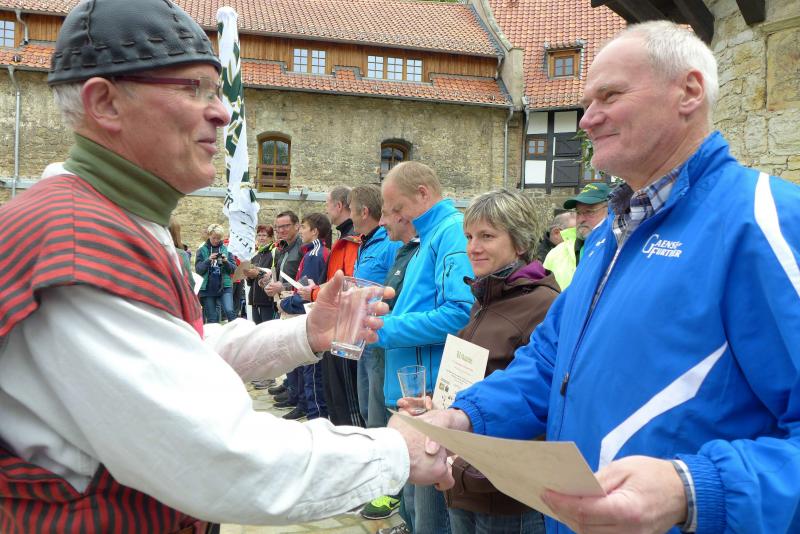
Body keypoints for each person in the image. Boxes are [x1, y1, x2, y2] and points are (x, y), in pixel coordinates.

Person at [0, 0, 452, 530]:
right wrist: (396, 450)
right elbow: (218, 459)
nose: (221, 112)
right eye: (193, 89)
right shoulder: (78, 243)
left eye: (216, 91)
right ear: (105, 103)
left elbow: (181, 352)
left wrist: (307, 333)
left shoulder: (108, 219)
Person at [400, 20, 800, 534]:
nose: (587, 120)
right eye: (587, 102)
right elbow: (549, 364)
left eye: (609, 96)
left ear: (689, 91)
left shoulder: (763, 220)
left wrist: (691, 489)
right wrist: (462, 416)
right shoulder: (609, 238)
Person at [444, 189, 558, 534]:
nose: (473, 247)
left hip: (506, 491)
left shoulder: (543, 305)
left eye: (487, 236)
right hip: (464, 474)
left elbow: (543, 399)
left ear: (519, 243)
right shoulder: (486, 295)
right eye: (469, 236)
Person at [378, 161, 475, 534]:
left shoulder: (450, 232)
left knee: (432, 519)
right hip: (412, 396)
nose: (392, 218)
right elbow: (419, 307)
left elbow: (460, 313)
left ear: (422, 194)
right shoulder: (427, 236)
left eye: (397, 208)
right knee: (416, 512)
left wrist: (383, 329)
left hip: (430, 399)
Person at [298, 186, 364, 427]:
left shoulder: (353, 240)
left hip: (345, 327)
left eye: (328, 203)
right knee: (335, 395)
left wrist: (315, 292)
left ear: (339, 206)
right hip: (336, 324)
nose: (326, 209)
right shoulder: (344, 239)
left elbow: (348, 284)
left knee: (346, 402)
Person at [350, 185, 403, 429]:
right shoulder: (366, 243)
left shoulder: (390, 243)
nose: (350, 216)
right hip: (362, 335)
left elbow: (396, 286)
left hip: (379, 335)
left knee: (376, 410)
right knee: (364, 404)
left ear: (364, 212)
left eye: (352, 209)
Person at [277, 212, 332, 421]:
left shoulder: (314, 255)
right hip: (310, 317)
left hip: (310, 320)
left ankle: (315, 416)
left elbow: (307, 293)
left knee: (312, 374)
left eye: (304, 227)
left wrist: (285, 303)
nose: (301, 231)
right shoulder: (312, 252)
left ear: (315, 231)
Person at [543, 183, 610, 290]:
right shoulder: (556, 253)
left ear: (610, 211)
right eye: (578, 212)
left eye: (589, 212)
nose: (581, 219)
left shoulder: (621, 251)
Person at [196, 223, 237, 323]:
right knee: (212, 318)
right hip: (207, 288)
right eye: (213, 238)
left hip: (225, 286)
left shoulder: (227, 250)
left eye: (218, 238)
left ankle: (235, 331)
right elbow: (198, 270)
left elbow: (233, 269)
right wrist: (208, 260)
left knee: (229, 311)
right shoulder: (201, 250)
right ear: (209, 235)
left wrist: (226, 261)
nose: (216, 240)